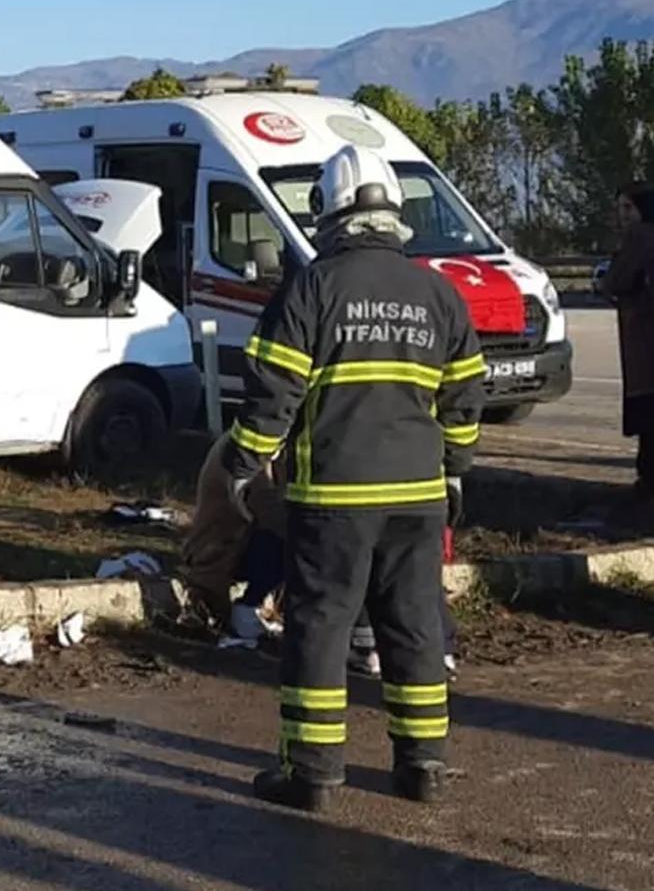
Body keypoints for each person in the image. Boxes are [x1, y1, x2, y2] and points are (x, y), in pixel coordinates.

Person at [224, 145, 485, 812]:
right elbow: (465, 399)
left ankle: (311, 775)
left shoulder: (312, 287)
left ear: (331, 213)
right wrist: (453, 473)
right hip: (419, 499)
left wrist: (243, 465)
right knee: (415, 626)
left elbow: (271, 393)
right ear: (394, 214)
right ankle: (422, 766)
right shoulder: (439, 292)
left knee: (321, 628)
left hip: (334, 500)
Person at [598, 182, 654, 501]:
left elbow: (617, 280)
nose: (623, 216)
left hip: (652, 342)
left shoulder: (642, 236)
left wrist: (606, 283)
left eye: (628, 208)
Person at [182, 431, 285, 641]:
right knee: (296, 542)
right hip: (220, 550)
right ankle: (247, 608)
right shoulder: (249, 451)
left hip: (229, 544)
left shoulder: (247, 442)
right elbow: (270, 511)